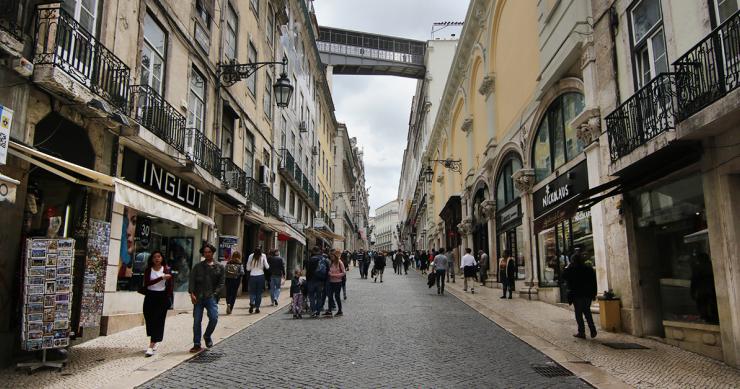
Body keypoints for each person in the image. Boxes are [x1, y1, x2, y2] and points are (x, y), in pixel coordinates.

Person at [189, 243, 224, 353]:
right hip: (199, 297)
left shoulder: (219, 267)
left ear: (213, 253)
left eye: (209, 252)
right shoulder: (197, 267)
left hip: (211, 297)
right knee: (197, 321)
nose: (207, 254)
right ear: (203, 254)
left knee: (214, 318)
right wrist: (191, 293)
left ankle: (207, 336)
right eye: (205, 252)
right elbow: (192, 280)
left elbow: (221, 283)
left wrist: (215, 294)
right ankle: (196, 344)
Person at [142, 250, 173, 357]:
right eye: (155, 257)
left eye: (159, 256)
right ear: (152, 259)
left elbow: (170, 286)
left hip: (162, 297)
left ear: (162, 258)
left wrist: (169, 299)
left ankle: (151, 346)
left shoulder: (167, 269)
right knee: (149, 318)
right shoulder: (148, 270)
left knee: (158, 320)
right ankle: (155, 339)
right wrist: (161, 278)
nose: (157, 258)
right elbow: (147, 283)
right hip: (150, 296)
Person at [561, 251, 598, 339]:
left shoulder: (571, 269)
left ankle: (581, 332)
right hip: (587, 294)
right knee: (587, 311)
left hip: (577, 294)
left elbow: (563, 276)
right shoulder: (589, 268)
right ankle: (593, 330)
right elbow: (594, 283)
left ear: (573, 260)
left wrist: (568, 266)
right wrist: (594, 294)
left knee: (579, 313)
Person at [306, 246, 329, 318]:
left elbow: (308, 271)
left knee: (311, 296)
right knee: (319, 297)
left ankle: (313, 310)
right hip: (321, 281)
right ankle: (318, 312)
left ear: (313, 251)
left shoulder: (311, 259)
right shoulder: (324, 259)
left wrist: (307, 280)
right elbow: (328, 270)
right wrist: (325, 280)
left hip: (311, 280)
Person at [246, 248, 270, 314]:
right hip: (261, 276)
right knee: (259, 293)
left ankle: (252, 302)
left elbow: (248, 268)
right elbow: (267, 266)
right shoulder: (263, 256)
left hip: (252, 275)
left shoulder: (251, 256)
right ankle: (257, 308)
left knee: (252, 292)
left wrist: (252, 268)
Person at [326, 249, 346, 317]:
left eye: (332, 256)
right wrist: (329, 273)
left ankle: (340, 311)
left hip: (338, 282)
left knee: (337, 296)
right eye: (330, 256)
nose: (331, 257)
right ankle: (329, 310)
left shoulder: (340, 262)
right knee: (330, 296)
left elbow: (343, 273)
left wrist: (334, 275)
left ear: (335, 256)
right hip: (331, 282)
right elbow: (330, 270)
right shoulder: (331, 263)